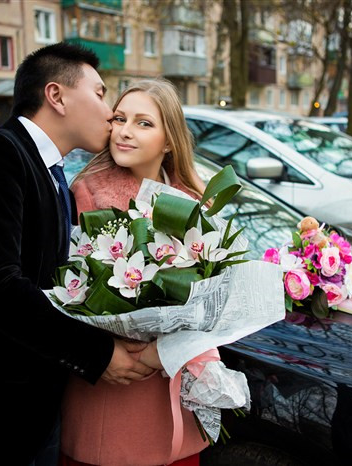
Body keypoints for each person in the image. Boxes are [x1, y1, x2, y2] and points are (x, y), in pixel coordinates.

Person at [0, 42, 155, 466]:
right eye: (99, 93)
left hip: (33, 412)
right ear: (56, 96)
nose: (110, 111)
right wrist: (96, 353)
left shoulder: (54, 174)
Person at [61, 79, 209, 466]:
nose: (124, 131)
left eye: (144, 123)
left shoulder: (193, 198)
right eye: (120, 118)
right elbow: (73, 293)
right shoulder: (87, 192)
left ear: (169, 140)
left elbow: (211, 294)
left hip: (172, 381)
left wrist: (168, 352)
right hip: (115, 381)